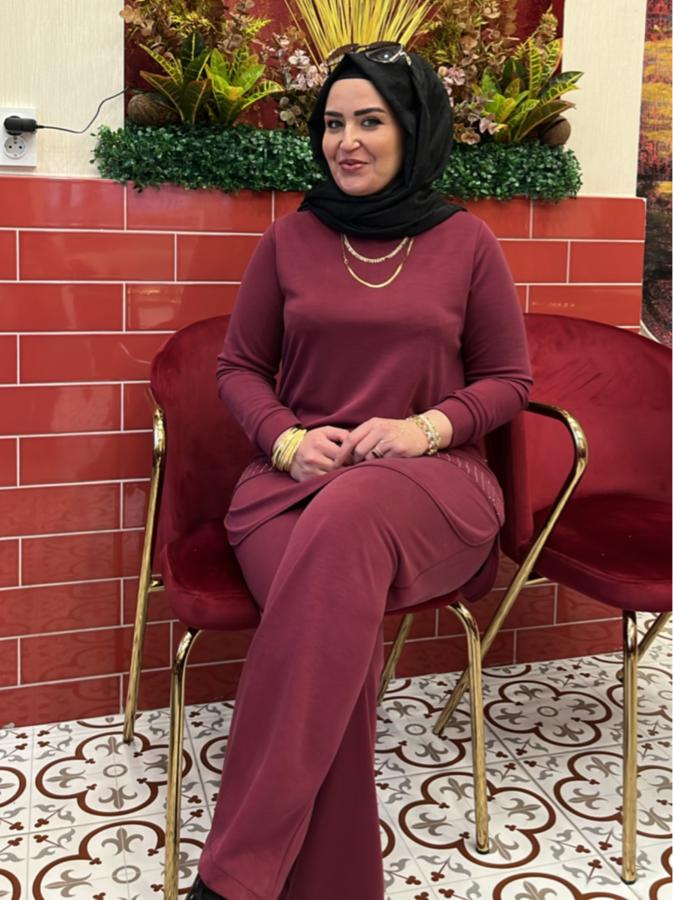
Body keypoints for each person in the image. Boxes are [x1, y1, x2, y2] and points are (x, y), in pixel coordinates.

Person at [188, 43, 532, 900]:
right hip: (289, 488)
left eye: (370, 121)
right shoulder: (288, 239)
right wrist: (286, 440)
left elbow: (508, 381)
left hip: (433, 483)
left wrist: (424, 428)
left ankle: (231, 878)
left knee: (349, 525)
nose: (346, 141)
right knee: (329, 646)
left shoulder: (467, 242)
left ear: (411, 129)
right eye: (333, 122)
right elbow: (238, 367)